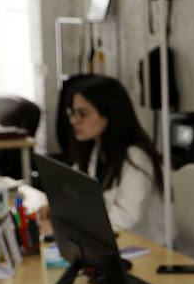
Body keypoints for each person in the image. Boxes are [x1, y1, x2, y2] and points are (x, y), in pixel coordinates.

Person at [30, 75, 172, 245]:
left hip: (149, 249)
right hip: (113, 244)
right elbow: (77, 193)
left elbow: (125, 219)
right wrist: (58, 208)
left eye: (82, 114)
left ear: (109, 114)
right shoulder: (94, 149)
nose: (73, 121)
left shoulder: (137, 158)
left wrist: (64, 226)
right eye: (72, 113)